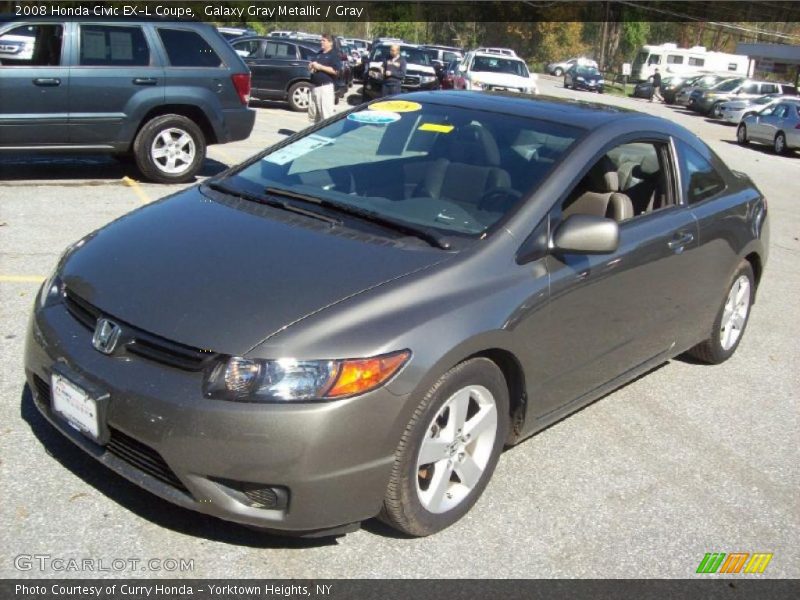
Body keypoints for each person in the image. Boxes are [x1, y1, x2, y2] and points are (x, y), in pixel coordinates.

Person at [308, 34, 341, 123]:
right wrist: (311, 66)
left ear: (330, 43)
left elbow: (336, 71)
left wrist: (320, 67)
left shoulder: (334, 55)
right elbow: (313, 63)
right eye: (321, 40)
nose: (321, 42)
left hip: (325, 88)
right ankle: (313, 134)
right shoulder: (319, 53)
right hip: (314, 87)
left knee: (326, 115)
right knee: (314, 115)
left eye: (324, 40)